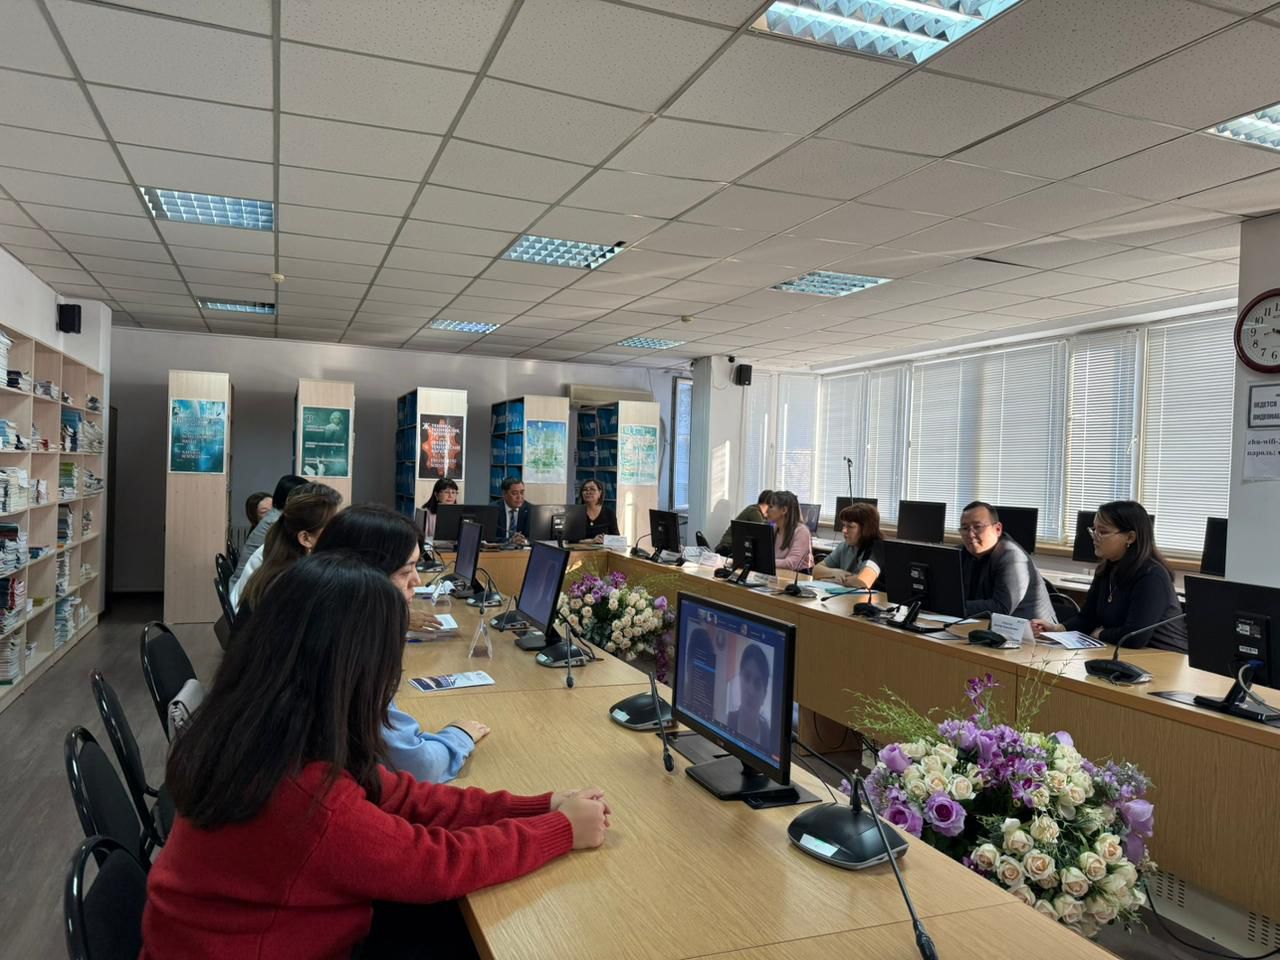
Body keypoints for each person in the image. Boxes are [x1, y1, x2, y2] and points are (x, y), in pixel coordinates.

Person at [142, 552, 611, 960]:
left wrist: (539, 806)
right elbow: (434, 864)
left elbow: (402, 796)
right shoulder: (306, 798)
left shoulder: (261, 732)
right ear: (351, 670)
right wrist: (560, 830)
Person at [314, 505, 488, 784]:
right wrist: (458, 736)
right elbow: (417, 766)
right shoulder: (351, 650)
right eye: (407, 570)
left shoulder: (318, 618)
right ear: (367, 573)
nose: (416, 581)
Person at [1032, 500, 1187, 653]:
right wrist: (1057, 629)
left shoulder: (1151, 575)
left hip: (1164, 656)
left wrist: (1100, 634)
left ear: (1130, 537)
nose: (1095, 537)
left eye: (1103, 532)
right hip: (1125, 653)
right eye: (1094, 530)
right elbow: (1088, 618)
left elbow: (1135, 637)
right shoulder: (1107, 569)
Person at [232, 483, 342, 614]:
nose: (339, 533)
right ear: (305, 538)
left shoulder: (281, 552)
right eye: (333, 527)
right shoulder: (293, 579)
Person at [958, 501, 1055, 621]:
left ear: (998, 529)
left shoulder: (1012, 557)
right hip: (983, 624)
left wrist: (953, 604)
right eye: (965, 528)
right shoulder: (962, 552)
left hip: (1031, 630)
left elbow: (1001, 608)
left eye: (977, 527)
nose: (970, 534)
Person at [230, 473, 306, 587]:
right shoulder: (277, 521)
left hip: (251, 583)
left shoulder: (276, 516)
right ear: (292, 499)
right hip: (246, 588)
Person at [812, 501, 885, 589]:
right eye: (844, 525)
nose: (844, 530)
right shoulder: (845, 546)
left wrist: (833, 580)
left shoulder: (877, 548)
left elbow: (863, 581)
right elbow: (816, 570)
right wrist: (836, 573)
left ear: (866, 528)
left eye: (850, 526)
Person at [726, 644, 772, 748]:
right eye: (747, 677)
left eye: (757, 683)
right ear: (740, 680)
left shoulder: (769, 738)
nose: (751, 691)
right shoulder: (725, 721)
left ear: (764, 695)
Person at [767, 490, 813, 572]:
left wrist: (765, 562)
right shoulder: (774, 528)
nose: (766, 510)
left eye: (770, 507)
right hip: (777, 572)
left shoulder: (801, 531)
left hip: (798, 575)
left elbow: (792, 563)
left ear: (784, 510)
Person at [715, 490, 772, 555]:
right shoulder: (754, 511)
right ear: (770, 503)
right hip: (728, 548)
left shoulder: (753, 509)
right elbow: (764, 534)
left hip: (730, 547)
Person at [579, 478, 618, 542]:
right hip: (578, 548)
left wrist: (605, 539)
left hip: (603, 548)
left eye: (592, 489)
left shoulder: (609, 513)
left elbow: (616, 537)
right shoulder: (576, 513)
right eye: (585, 489)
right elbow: (570, 539)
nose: (588, 492)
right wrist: (592, 541)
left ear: (600, 493)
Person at [495, 476, 531, 545]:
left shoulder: (530, 510)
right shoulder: (494, 510)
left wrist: (524, 541)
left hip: (522, 549)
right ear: (504, 494)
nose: (519, 497)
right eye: (515, 493)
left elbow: (534, 537)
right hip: (500, 549)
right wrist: (509, 541)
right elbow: (488, 538)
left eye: (522, 492)